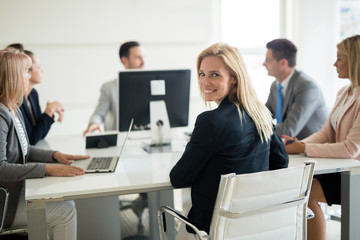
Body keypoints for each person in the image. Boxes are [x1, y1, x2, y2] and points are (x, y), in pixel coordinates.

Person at [170, 43, 289, 238]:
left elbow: (179, 178)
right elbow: (281, 161)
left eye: (215, 74)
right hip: (256, 224)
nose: (205, 82)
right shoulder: (261, 113)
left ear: (234, 78)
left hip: (213, 228)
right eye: (202, 74)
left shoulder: (210, 121)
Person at [0, 49, 89, 240]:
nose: (29, 75)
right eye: (26, 71)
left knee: (66, 204)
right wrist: (46, 169)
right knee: (65, 211)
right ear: (14, 76)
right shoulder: (1, 114)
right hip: (5, 204)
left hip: (16, 194)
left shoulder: (13, 108)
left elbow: (25, 149)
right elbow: (0, 168)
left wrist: (55, 155)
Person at [283, 34, 360, 240]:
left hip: (356, 174)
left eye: (339, 58)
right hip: (344, 169)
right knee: (298, 186)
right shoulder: (344, 92)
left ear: (354, 60)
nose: (334, 63)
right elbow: (326, 133)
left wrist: (302, 149)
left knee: (306, 194)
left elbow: (350, 149)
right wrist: (297, 145)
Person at [264, 38, 328, 140]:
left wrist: (257, 131)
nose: (264, 64)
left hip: (311, 150)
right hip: (290, 148)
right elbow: (264, 116)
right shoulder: (275, 85)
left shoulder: (307, 87)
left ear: (283, 63)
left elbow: (288, 131)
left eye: (268, 60)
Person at [83, 41, 145, 135]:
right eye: (138, 57)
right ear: (124, 60)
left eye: (143, 57)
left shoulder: (151, 85)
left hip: (146, 140)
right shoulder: (109, 88)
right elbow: (99, 113)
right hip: (120, 143)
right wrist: (94, 123)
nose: (143, 62)